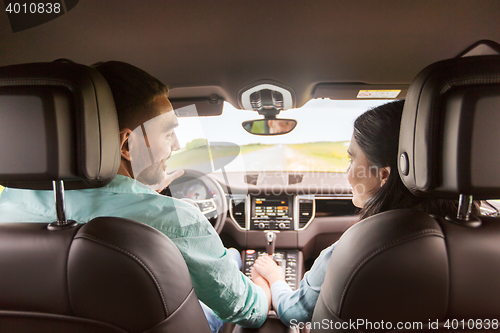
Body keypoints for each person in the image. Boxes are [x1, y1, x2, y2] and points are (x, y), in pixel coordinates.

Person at [0, 61, 270, 332]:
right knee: (232, 259)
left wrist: (144, 193)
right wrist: (267, 284)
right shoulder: (175, 221)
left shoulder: (6, 209)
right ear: (126, 145)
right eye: (168, 132)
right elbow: (248, 311)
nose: (176, 145)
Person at [251, 99, 468, 326]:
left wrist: (275, 278)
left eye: (352, 158)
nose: (348, 171)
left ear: (384, 175)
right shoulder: (484, 239)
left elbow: (293, 312)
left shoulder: (356, 249)